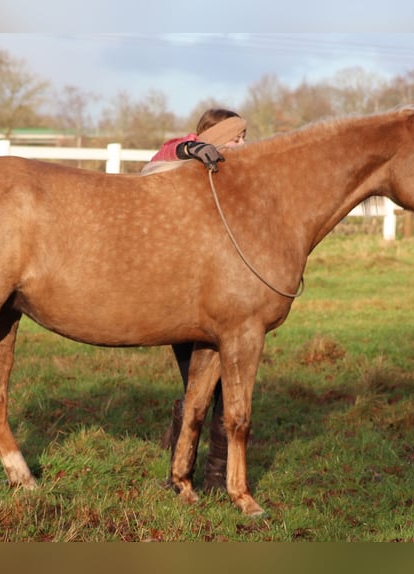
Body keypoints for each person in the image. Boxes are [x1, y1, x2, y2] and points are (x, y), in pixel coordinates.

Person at [144, 109, 247, 492]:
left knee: (218, 385)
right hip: (179, 294)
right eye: (235, 137)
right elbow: (162, 157)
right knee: (198, 383)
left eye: (244, 137)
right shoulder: (183, 156)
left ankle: (217, 473)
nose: (241, 144)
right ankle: (183, 462)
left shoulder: (233, 174)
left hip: (218, 293)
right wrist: (193, 147)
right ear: (212, 135)